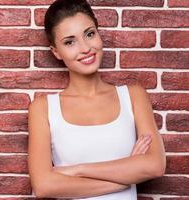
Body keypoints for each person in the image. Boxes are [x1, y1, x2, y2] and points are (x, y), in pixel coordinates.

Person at [27, 0, 166, 199]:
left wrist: (77, 170)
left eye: (89, 34)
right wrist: (127, 176)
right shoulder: (43, 108)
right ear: (56, 52)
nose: (85, 48)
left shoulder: (133, 96)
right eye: (69, 42)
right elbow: (44, 186)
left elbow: (155, 165)